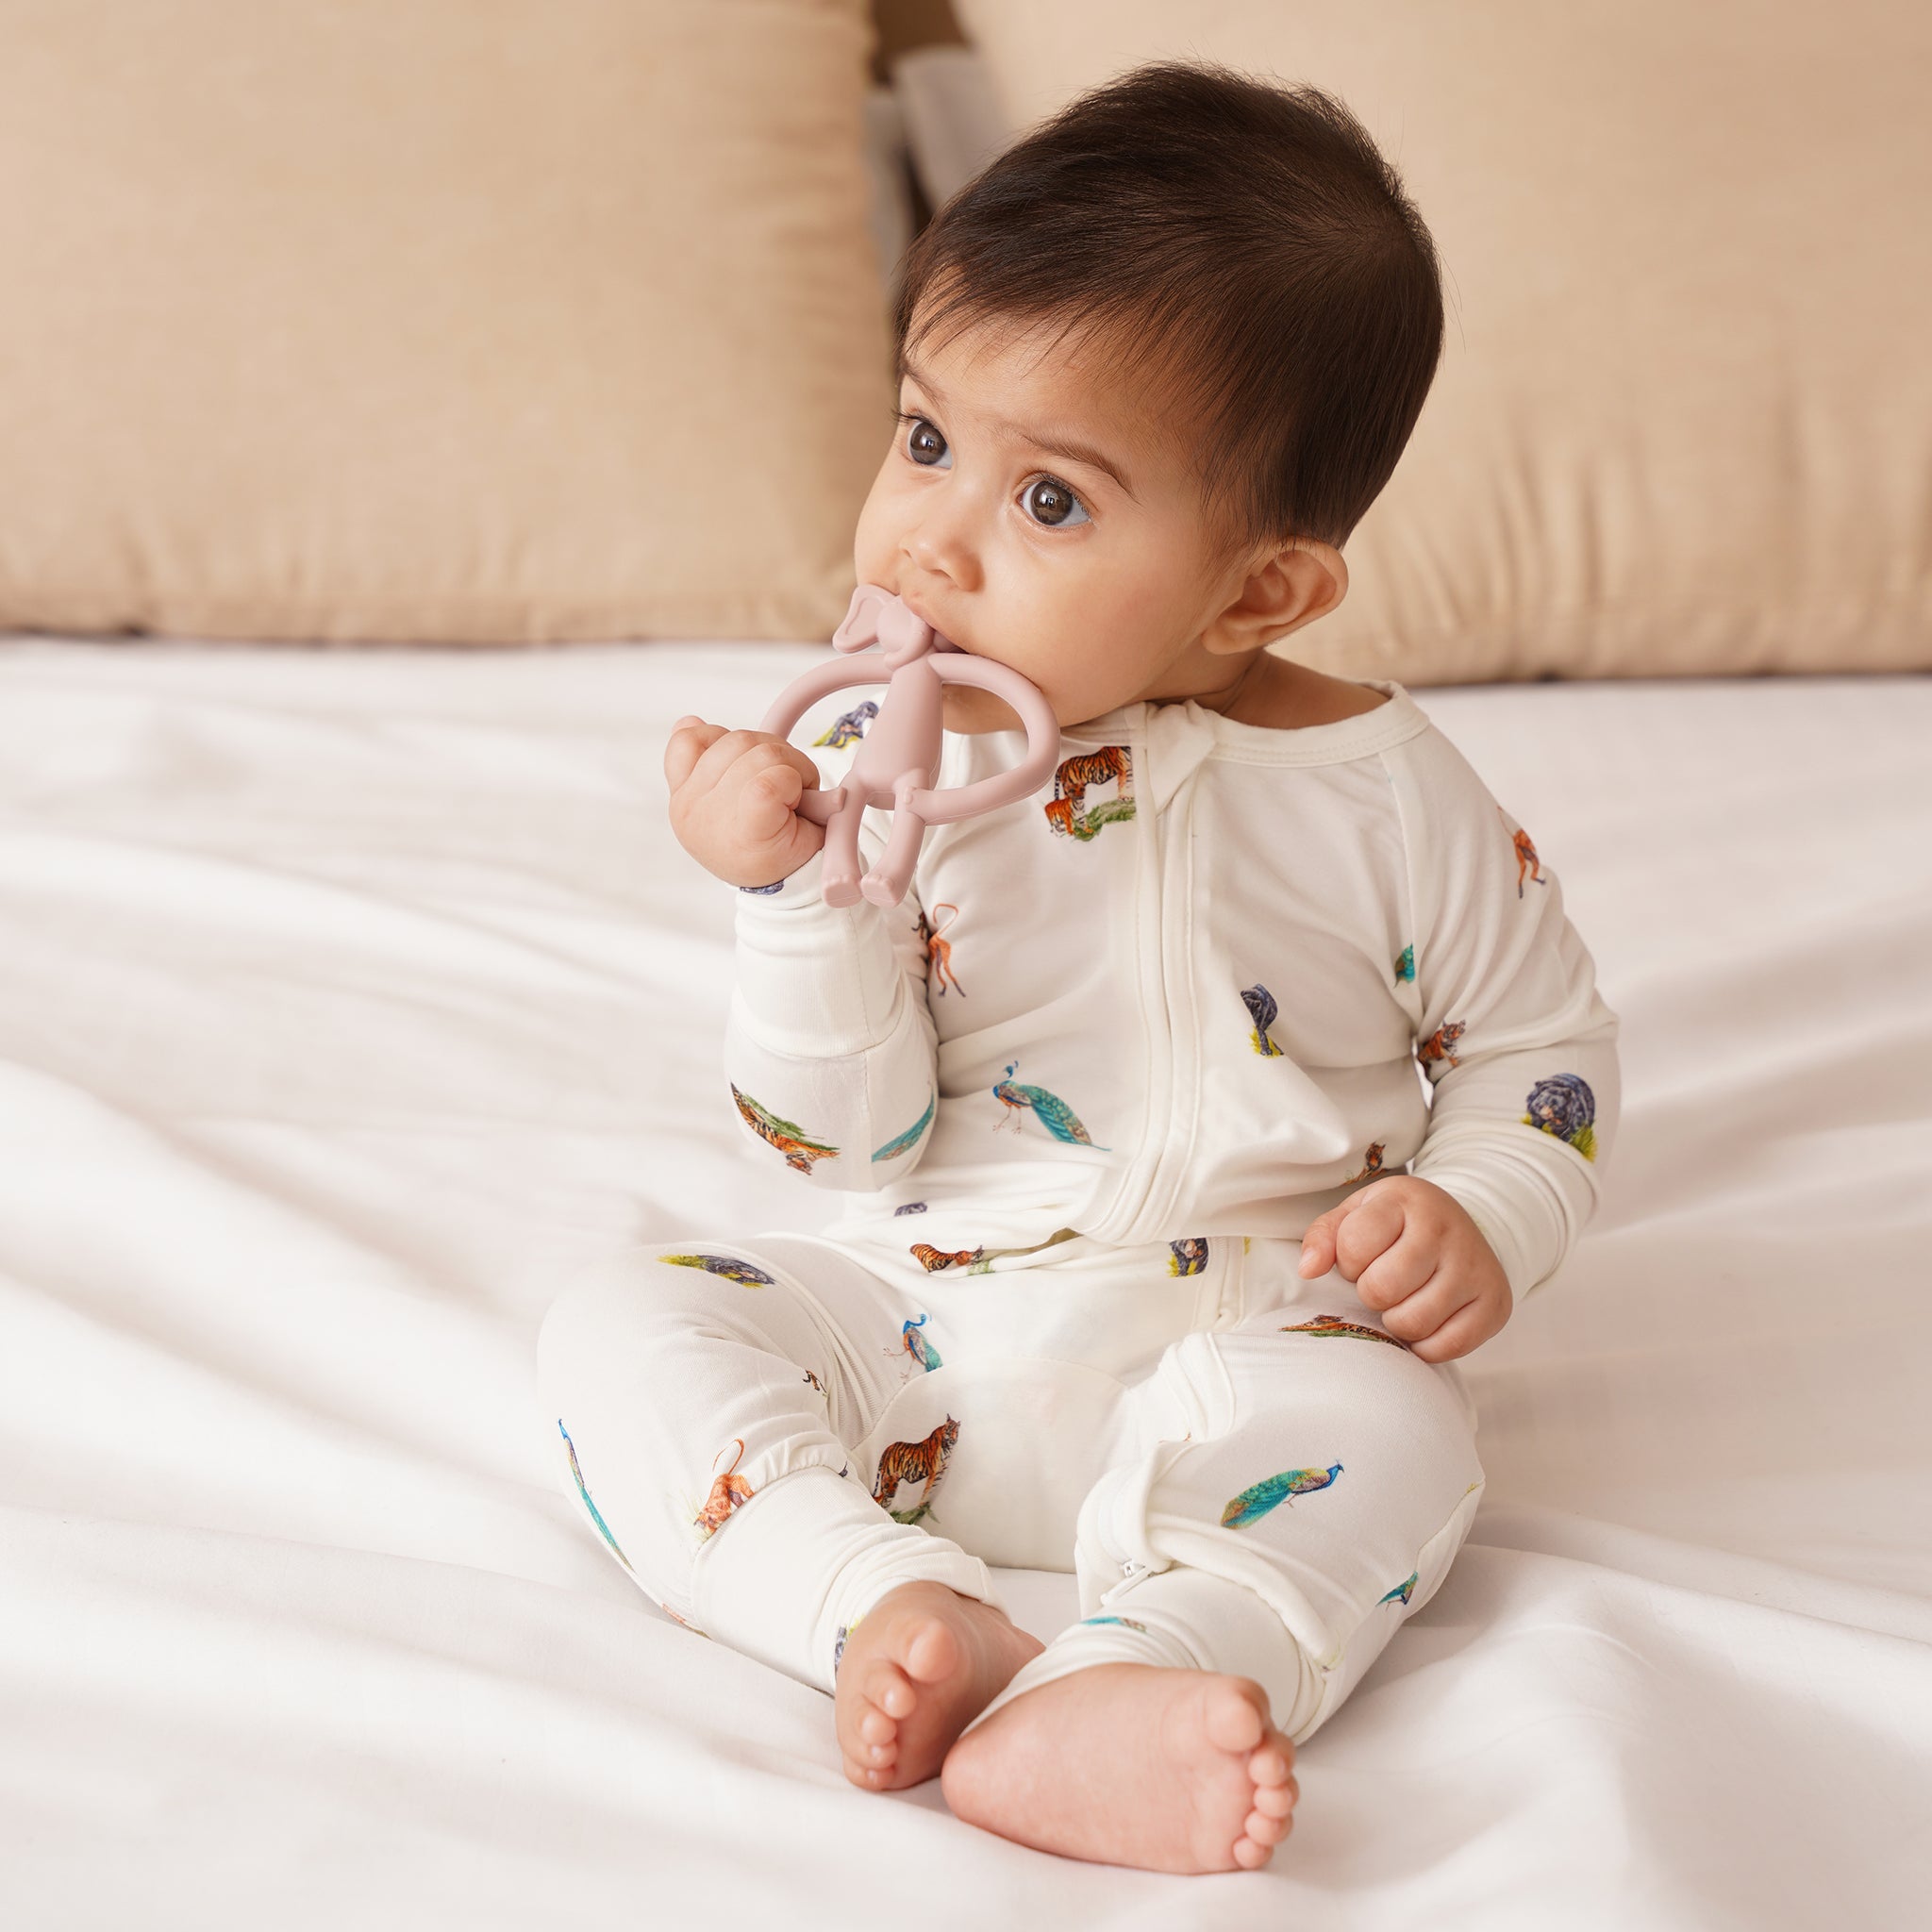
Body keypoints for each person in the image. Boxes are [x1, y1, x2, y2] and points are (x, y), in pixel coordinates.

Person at [538, 58, 1620, 1874]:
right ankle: (883, 1604)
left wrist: (1487, 1208)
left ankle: (1121, 1685)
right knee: (620, 1329)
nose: (933, 536)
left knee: (1404, 1442)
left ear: (1259, 593)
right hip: (933, 1322)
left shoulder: (1389, 796)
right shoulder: (908, 767)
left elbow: (1543, 1053)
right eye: (927, 437)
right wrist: (800, 901)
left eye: (1053, 504)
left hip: (1262, 1333)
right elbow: (842, 1156)